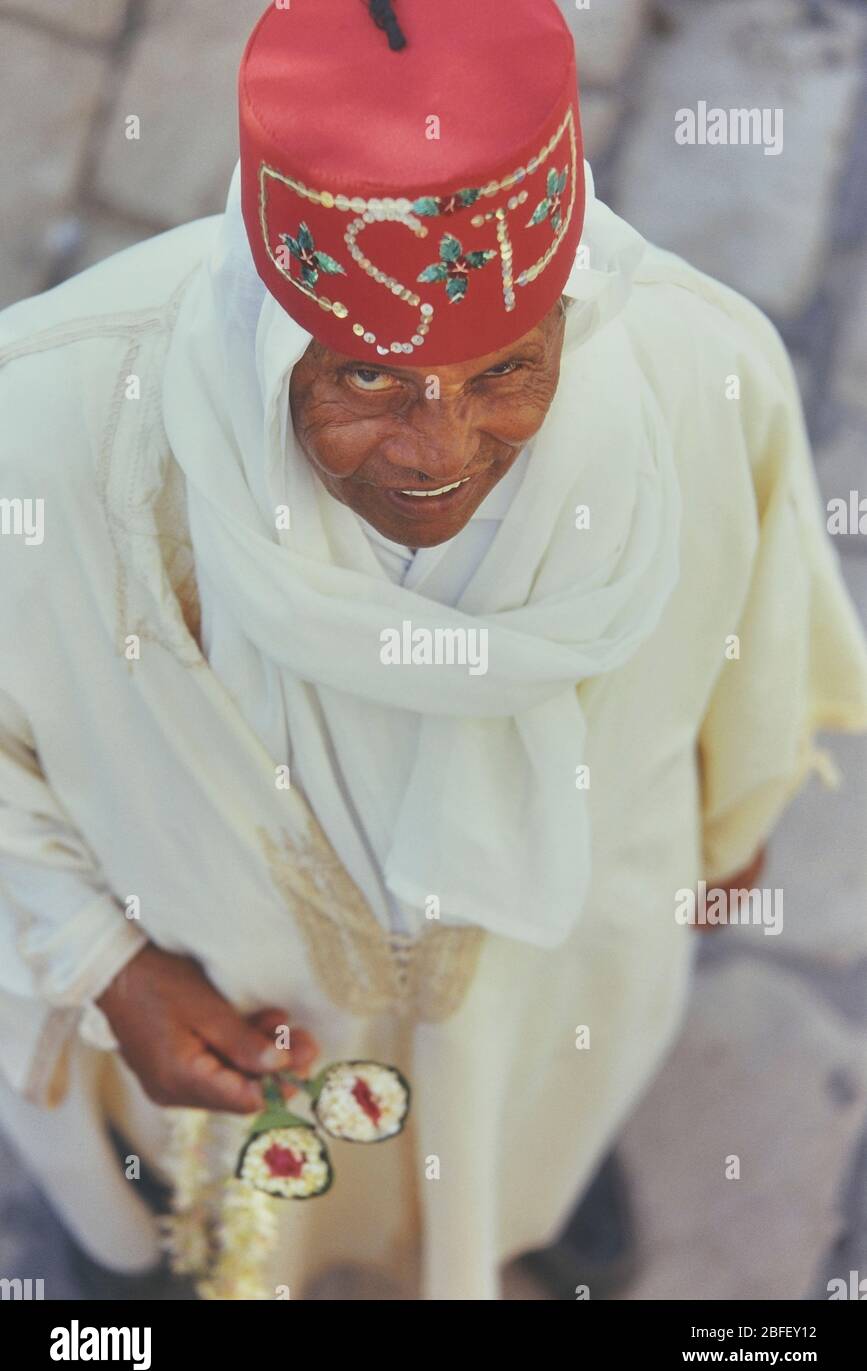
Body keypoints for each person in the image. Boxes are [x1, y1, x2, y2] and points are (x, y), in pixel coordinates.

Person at [1, 0, 865, 1301]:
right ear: (276, 332)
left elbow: (758, 659)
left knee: (528, 1119)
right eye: (365, 382)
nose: (440, 452)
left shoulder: (705, 379)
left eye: (507, 371)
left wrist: (730, 827)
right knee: (180, 1228)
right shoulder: (50, 419)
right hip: (221, 1010)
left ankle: (518, 1205)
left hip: (543, 980)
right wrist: (105, 966)